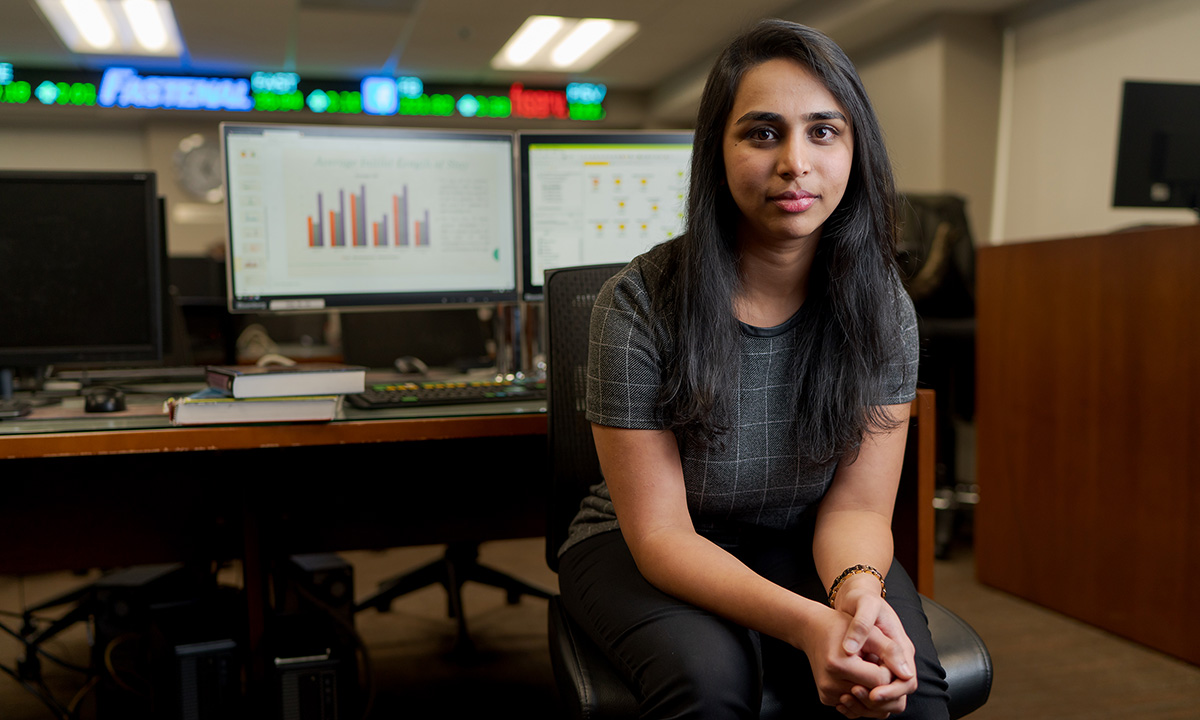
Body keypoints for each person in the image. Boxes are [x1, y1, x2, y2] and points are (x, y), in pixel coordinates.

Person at [556, 18, 950, 720]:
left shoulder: (882, 305)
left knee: (904, 686)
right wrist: (809, 626)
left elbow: (858, 508)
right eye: (763, 133)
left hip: (804, 536)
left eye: (823, 132)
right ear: (718, 150)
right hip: (646, 542)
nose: (796, 162)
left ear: (856, 150)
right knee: (709, 684)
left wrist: (858, 596)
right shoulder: (639, 302)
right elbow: (663, 537)